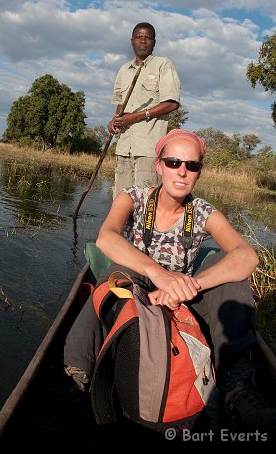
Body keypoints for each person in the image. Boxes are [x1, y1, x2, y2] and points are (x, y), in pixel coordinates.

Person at [64, 129, 276, 439]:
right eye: (174, 162)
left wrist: (189, 285)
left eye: (191, 165)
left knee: (229, 271)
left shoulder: (202, 212)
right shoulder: (133, 197)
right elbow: (107, 238)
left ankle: (237, 388)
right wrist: (160, 276)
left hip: (181, 299)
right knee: (118, 269)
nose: (182, 171)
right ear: (159, 165)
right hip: (136, 293)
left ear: (198, 173)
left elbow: (247, 257)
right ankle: (80, 374)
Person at [107, 22, 180, 198]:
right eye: (139, 37)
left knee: (145, 201)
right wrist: (114, 121)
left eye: (147, 37)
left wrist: (137, 116)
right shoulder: (124, 70)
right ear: (132, 41)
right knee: (121, 200)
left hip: (148, 149)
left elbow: (172, 103)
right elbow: (120, 103)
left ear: (154, 42)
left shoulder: (163, 64)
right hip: (124, 147)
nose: (143, 40)